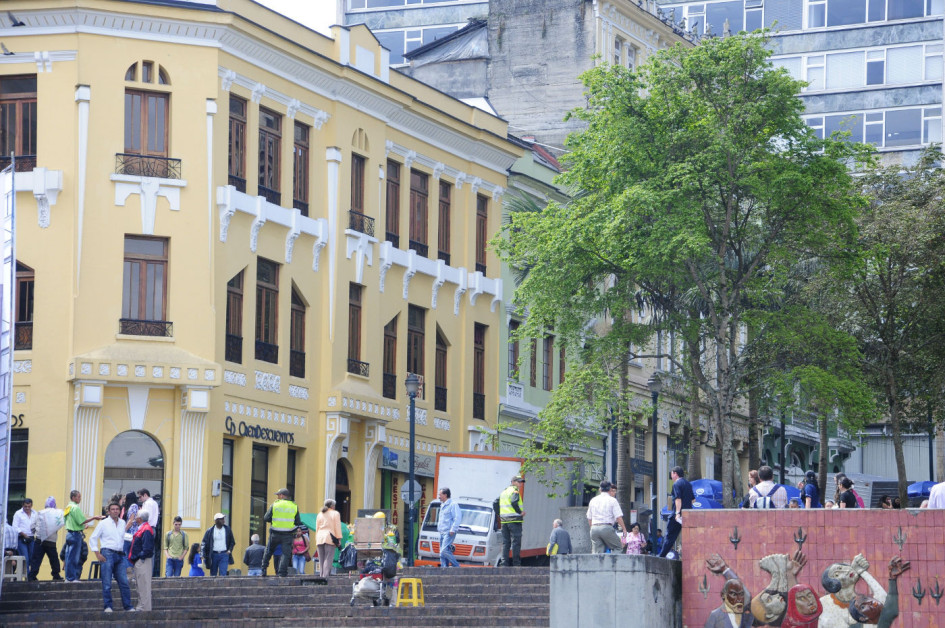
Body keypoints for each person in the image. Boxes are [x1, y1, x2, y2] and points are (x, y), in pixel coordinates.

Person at [89, 502, 134, 613]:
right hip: (107, 553)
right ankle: (108, 606)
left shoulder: (123, 523)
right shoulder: (103, 523)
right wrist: (97, 554)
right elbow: (93, 538)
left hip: (120, 554)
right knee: (107, 582)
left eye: (117, 509)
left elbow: (122, 537)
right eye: (112, 509)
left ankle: (128, 606)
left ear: (119, 511)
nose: (115, 511)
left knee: (124, 582)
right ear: (108, 511)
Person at [818, 553, 887, 627]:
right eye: (837, 575)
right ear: (833, 585)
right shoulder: (824, 604)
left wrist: (862, 571)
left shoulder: (865, 602)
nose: (846, 571)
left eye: (841, 568)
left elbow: (883, 597)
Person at [848, 557, 910, 628]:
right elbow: (887, 606)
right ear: (863, 618)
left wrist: (861, 571)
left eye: (865, 598)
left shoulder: (877, 609)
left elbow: (880, 594)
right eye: (863, 606)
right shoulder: (882, 620)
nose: (869, 601)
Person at [63, 490, 104, 582]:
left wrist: (81, 526)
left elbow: (70, 521)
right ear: (73, 497)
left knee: (68, 556)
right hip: (75, 534)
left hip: (69, 533)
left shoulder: (68, 507)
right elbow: (81, 520)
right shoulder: (75, 508)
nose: (80, 499)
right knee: (74, 557)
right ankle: (72, 578)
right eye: (78, 497)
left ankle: (68, 577)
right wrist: (94, 517)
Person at [704, 554, 753, 628]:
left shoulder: (745, 614)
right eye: (733, 594)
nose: (739, 599)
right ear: (724, 595)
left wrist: (725, 569)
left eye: (741, 594)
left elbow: (747, 596)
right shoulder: (715, 616)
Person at [261, 488, 302, 577]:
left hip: (275, 533)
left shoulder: (275, 505)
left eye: (278, 495)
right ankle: (282, 573)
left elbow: (266, 518)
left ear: (282, 495)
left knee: (268, 551)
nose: (277, 497)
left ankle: (263, 569)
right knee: (286, 554)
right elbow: (298, 522)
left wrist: (274, 521)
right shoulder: (294, 506)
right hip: (288, 534)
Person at [661, 466, 694, 558]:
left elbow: (678, 499)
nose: (671, 476)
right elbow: (693, 500)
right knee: (686, 536)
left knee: (670, 536)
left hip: (678, 515)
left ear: (675, 473)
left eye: (671, 473)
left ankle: (661, 556)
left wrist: (677, 513)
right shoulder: (688, 484)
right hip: (688, 514)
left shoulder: (676, 484)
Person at [28, 496, 64, 581]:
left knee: (36, 559)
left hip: (39, 540)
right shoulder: (58, 513)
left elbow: (32, 526)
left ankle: (32, 576)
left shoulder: (40, 512)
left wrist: (36, 534)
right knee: (54, 559)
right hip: (51, 541)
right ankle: (56, 575)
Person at [586, 480, 626, 554]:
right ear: (610, 489)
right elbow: (618, 517)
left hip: (594, 527)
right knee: (617, 547)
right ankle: (612, 565)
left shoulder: (593, 500)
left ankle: (597, 565)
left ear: (600, 489)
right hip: (606, 527)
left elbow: (589, 517)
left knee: (597, 552)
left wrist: (592, 528)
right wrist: (624, 529)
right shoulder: (612, 500)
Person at [128, 510, 154, 612]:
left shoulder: (146, 529)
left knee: (143, 584)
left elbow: (147, 548)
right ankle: (142, 606)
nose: (135, 518)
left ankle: (144, 607)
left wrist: (139, 557)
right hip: (140, 560)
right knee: (140, 584)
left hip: (142, 560)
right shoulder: (144, 528)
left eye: (137, 516)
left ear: (140, 518)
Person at [498, 476, 526, 566]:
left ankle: (504, 563)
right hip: (514, 520)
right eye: (519, 482)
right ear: (513, 482)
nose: (520, 484)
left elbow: (495, 502)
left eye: (521, 482)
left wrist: (499, 514)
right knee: (516, 542)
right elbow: (514, 502)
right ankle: (516, 564)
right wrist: (520, 512)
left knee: (506, 543)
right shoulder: (515, 491)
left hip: (504, 521)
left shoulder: (503, 492)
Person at [435, 487, 461, 567]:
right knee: (442, 554)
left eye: (440, 495)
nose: (439, 496)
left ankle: (457, 566)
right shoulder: (443, 505)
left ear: (445, 495)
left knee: (444, 551)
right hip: (442, 532)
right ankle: (444, 569)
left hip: (449, 532)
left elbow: (457, 517)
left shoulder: (453, 504)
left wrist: (453, 529)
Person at [315, 499, 342, 578]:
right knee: (328, 558)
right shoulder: (335, 513)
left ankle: (321, 575)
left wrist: (317, 538)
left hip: (320, 537)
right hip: (330, 537)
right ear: (332, 506)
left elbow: (317, 528)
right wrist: (339, 538)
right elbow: (337, 527)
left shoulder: (320, 514)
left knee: (321, 559)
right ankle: (325, 576)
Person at [12, 498, 37, 566]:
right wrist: (23, 534)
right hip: (21, 537)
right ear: (22, 505)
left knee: (32, 557)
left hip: (31, 537)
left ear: (31, 505)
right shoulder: (18, 513)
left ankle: (31, 575)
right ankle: (27, 576)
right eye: (25, 506)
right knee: (25, 558)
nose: (27, 508)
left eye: (29, 506)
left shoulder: (35, 513)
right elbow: (15, 527)